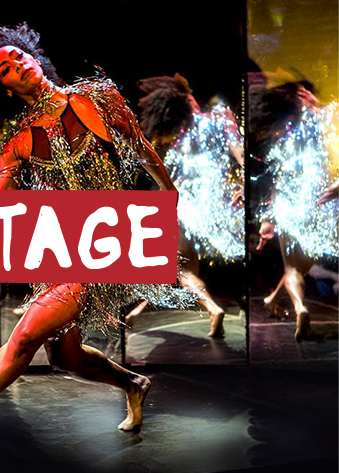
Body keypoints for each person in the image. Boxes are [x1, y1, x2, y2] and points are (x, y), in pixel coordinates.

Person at [0, 24, 194, 463]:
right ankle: (134, 384)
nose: (18, 64)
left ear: (34, 57)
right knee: (65, 357)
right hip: (57, 250)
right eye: (6, 68)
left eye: (18, 56)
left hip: (104, 242)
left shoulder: (97, 98)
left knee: (22, 339)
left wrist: (169, 200)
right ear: (3, 88)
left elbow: (140, 150)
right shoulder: (19, 143)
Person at [134, 74, 245, 337]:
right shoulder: (220, 119)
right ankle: (139, 310)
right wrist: (242, 184)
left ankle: (213, 308)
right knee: (183, 267)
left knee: (179, 268)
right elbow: (240, 155)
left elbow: (155, 167)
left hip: (184, 207)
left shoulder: (174, 134)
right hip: (215, 207)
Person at [251, 72, 338, 341]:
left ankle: (299, 308)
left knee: (294, 267)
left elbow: (278, 178)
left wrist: (269, 218)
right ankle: (282, 302)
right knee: (300, 265)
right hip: (323, 206)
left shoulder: (286, 134)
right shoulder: (329, 118)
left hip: (293, 207)